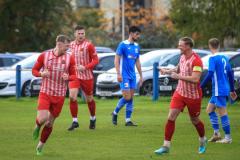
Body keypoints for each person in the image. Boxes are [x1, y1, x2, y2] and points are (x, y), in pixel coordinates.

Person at [154, 37, 207, 155]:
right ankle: (166, 146)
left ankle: (203, 139)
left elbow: (195, 78)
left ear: (188, 46)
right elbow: (178, 69)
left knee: (194, 120)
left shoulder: (197, 60)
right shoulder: (182, 57)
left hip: (193, 96)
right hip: (180, 92)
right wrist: (166, 71)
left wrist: (178, 77)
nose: (179, 47)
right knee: (171, 117)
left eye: (181, 45)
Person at [32, 35, 76, 155]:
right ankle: (37, 125)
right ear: (59, 44)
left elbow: (74, 75)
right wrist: (41, 74)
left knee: (50, 123)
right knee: (42, 118)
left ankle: (40, 146)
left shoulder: (69, 58)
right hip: (45, 92)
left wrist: (69, 77)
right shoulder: (44, 56)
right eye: (67, 46)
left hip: (60, 95)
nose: (68, 48)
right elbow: (34, 70)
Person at [201, 38, 237, 143]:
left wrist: (200, 86)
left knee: (222, 112)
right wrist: (232, 89)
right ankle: (216, 134)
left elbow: (210, 73)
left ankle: (228, 138)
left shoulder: (212, 58)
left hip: (218, 89)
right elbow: (230, 73)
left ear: (209, 46)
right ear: (219, 45)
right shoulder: (225, 57)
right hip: (221, 88)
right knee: (209, 110)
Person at [67, 25, 99, 131]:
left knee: (89, 98)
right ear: (75, 34)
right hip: (74, 75)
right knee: (72, 97)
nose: (81, 35)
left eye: (82, 33)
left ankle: (93, 118)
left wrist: (85, 67)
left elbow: (95, 60)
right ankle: (75, 121)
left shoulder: (88, 45)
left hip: (87, 76)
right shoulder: (70, 45)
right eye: (79, 33)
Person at [111, 26, 143, 126]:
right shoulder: (123, 45)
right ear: (131, 34)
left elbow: (137, 61)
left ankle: (128, 120)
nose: (138, 36)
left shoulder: (137, 46)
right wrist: (118, 73)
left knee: (131, 98)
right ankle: (115, 112)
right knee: (127, 97)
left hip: (133, 76)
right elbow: (116, 59)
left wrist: (141, 76)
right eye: (137, 34)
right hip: (124, 76)